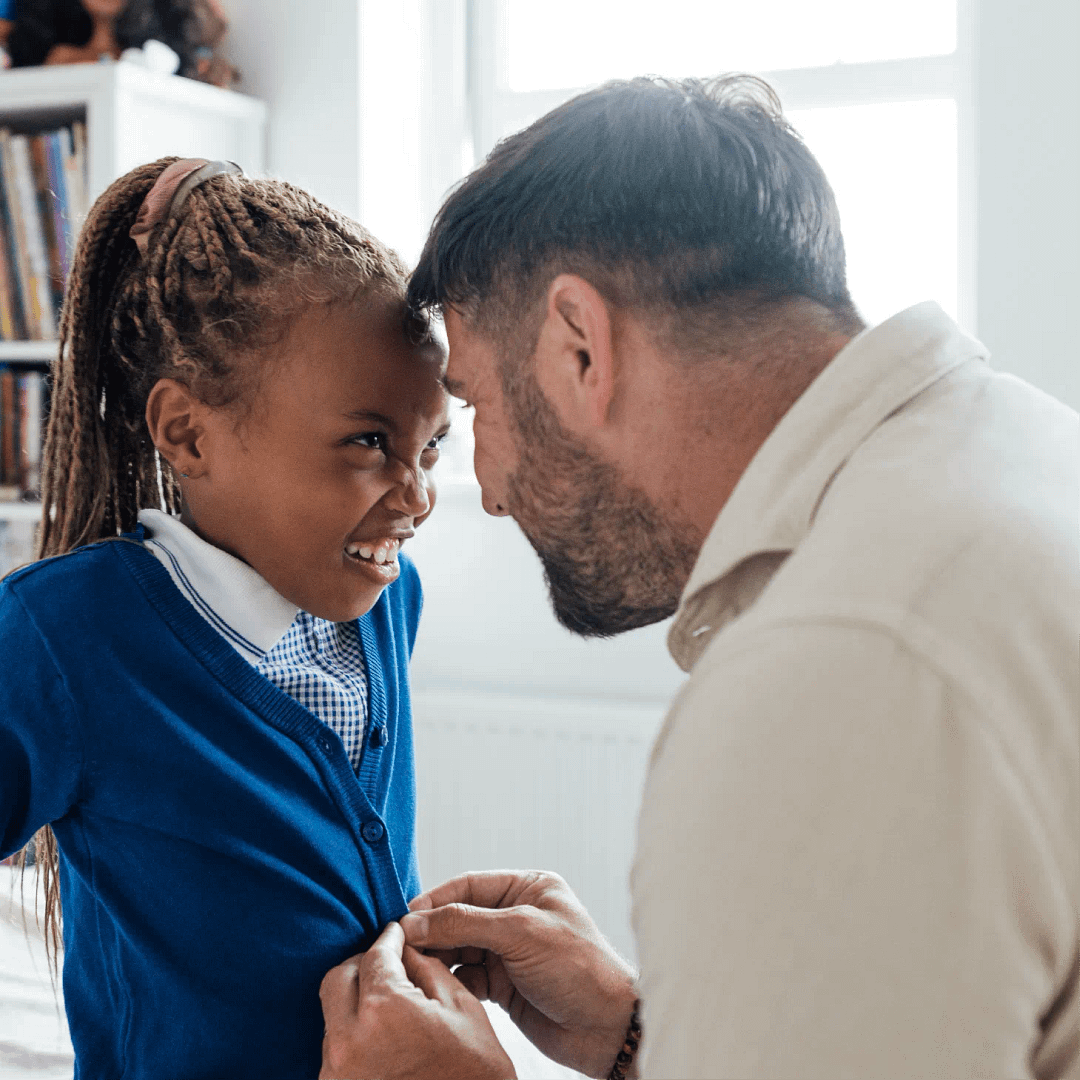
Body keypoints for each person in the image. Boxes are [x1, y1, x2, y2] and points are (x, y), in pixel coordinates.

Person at [318, 75, 1080, 1079]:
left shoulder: (838, 677)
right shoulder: (1019, 450)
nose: (488, 493)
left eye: (475, 411)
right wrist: (641, 1033)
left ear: (580, 346)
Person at [0, 157, 464, 1079]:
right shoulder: (67, 636)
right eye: (370, 442)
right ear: (187, 433)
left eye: (433, 445)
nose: (417, 495)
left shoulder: (388, 599)